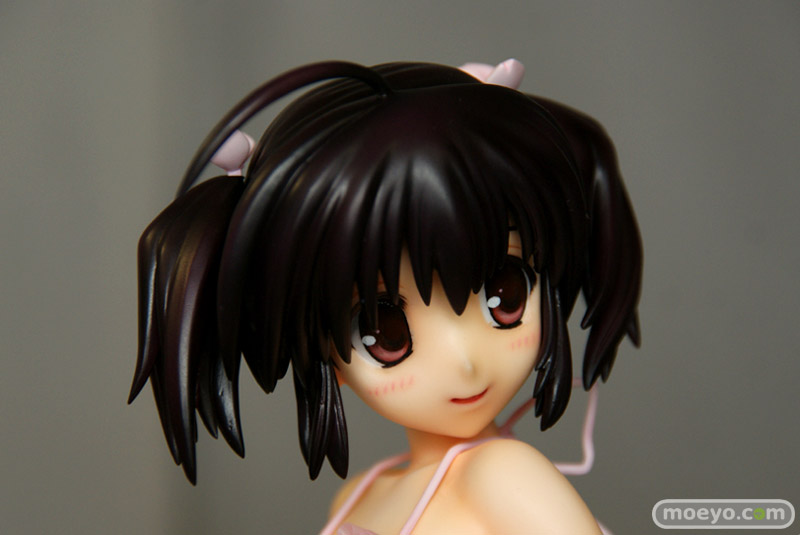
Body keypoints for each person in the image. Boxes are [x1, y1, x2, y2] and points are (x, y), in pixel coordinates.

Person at [129, 59, 642, 534]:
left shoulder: (504, 475)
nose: (465, 362)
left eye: (504, 296)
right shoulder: (357, 498)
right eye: (385, 334)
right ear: (324, 351)